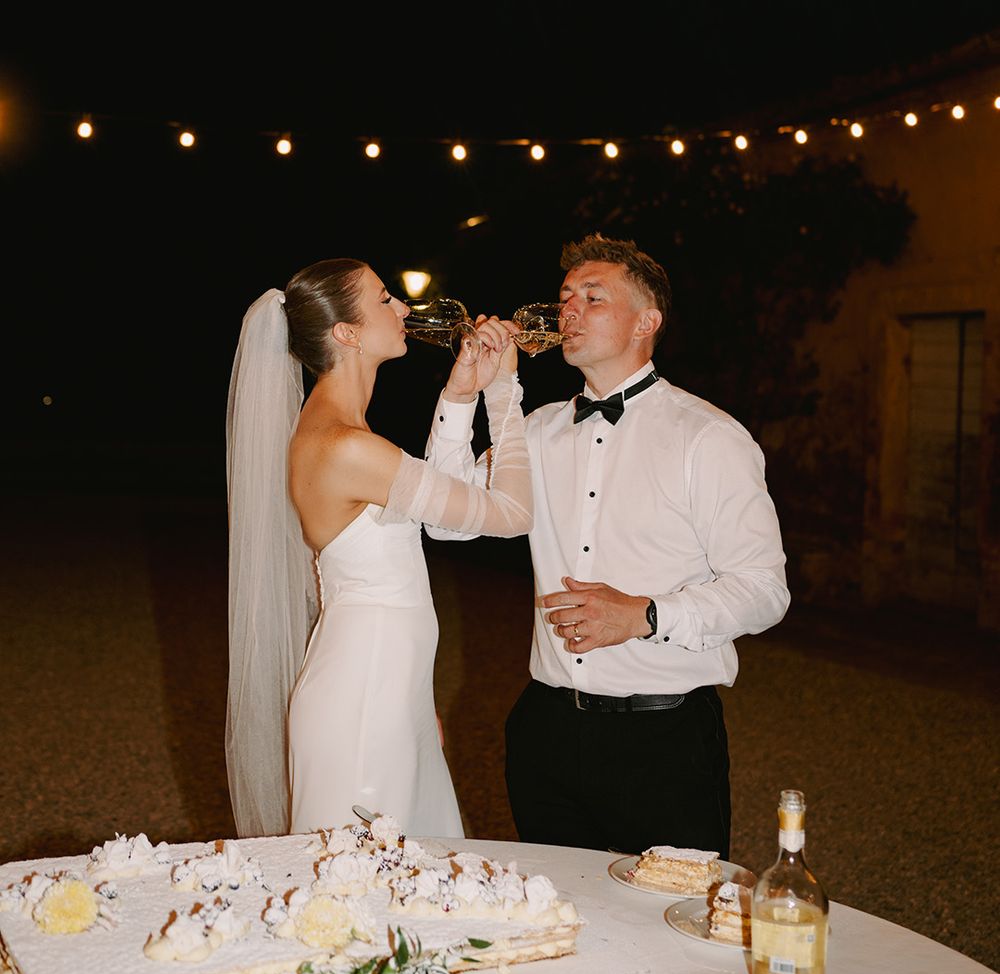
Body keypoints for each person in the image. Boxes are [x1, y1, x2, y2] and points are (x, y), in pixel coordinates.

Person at [425, 234, 790, 858]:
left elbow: (765, 590)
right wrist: (463, 395)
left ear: (648, 321)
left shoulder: (709, 438)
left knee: (673, 938)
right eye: (565, 297)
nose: (569, 311)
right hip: (546, 730)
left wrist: (646, 615)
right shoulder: (535, 431)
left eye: (594, 298)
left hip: (664, 740)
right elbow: (446, 520)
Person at [225, 258, 530, 839]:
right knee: (365, 896)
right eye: (386, 298)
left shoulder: (345, 436)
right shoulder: (348, 449)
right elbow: (511, 515)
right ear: (347, 332)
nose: (405, 310)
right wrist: (505, 392)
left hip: (386, 693)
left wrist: (461, 395)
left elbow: (449, 525)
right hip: (364, 702)